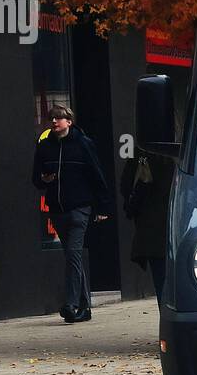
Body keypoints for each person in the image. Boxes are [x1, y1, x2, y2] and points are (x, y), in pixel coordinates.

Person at [32, 105, 112, 322]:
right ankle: (85, 307)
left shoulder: (83, 144)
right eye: (52, 118)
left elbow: (97, 175)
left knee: (73, 254)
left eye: (60, 118)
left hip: (80, 208)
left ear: (69, 121)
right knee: (71, 255)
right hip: (57, 209)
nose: (55, 122)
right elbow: (35, 178)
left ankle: (70, 303)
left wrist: (103, 207)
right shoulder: (44, 147)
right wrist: (44, 180)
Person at [120, 152, 174, 303]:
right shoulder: (174, 159)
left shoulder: (141, 158)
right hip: (167, 230)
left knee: (161, 281)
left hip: (154, 233)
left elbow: (127, 192)